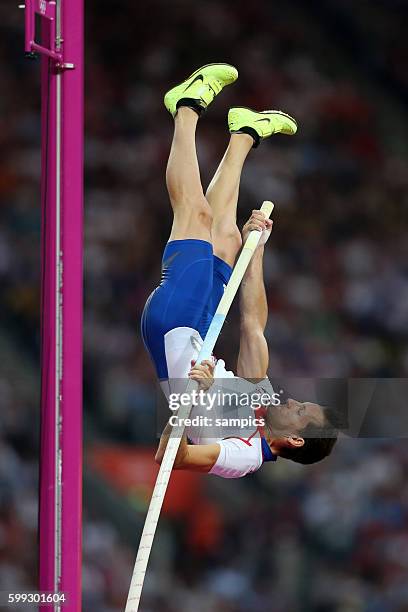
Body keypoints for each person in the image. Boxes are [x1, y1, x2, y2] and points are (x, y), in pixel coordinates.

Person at [141, 63, 338, 478]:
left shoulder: (244, 455)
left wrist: (189, 402)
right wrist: (256, 249)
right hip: (198, 331)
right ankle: (244, 135)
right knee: (227, 240)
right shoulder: (261, 401)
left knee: (194, 214)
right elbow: (252, 325)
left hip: (174, 327)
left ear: (296, 439)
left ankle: (186, 106)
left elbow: (170, 459)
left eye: (300, 410)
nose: (293, 401)